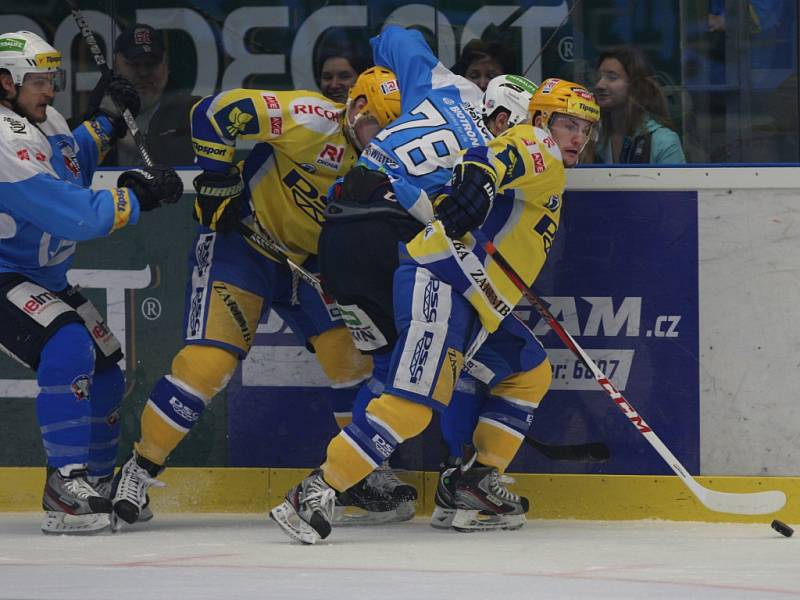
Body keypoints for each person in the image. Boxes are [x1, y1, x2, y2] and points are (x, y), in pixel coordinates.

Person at [269, 24, 599, 544]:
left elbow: (399, 40)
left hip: (392, 255)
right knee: (413, 400)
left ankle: (474, 483)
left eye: (586, 129)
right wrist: (481, 178)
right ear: (533, 118)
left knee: (527, 372)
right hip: (436, 273)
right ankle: (315, 491)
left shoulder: (461, 102)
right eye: (568, 124)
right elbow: (498, 158)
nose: (577, 137)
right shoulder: (536, 145)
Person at [109, 67, 411, 529]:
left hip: (312, 264)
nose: (381, 140)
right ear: (355, 108)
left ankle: (362, 477)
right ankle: (138, 468)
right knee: (207, 365)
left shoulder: (396, 160)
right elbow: (215, 112)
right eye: (377, 126)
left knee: (353, 363)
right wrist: (219, 177)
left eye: (393, 130)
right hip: (243, 246)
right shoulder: (310, 118)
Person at [0, 30, 183, 534]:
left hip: (43, 276)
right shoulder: (2, 138)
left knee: (106, 370)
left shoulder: (43, 118)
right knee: (67, 345)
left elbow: (70, 157)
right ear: (4, 83)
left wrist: (104, 119)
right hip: (4, 275)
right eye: (37, 81)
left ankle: (97, 482)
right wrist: (135, 198)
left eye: (52, 80)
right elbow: (72, 215)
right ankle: (64, 485)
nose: (49, 90)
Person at [106, 23, 200, 167]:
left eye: (151, 64)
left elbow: (186, 163)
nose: (143, 73)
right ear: (116, 66)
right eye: (134, 65)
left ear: (166, 64)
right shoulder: (99, 115)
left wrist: (134, 143)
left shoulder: (192, 113)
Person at [593, 46, 685, 164]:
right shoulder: (591, 137)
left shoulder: (663, 141)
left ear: (635, 85)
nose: (599, 85)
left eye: (612, 77)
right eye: (598, 77)